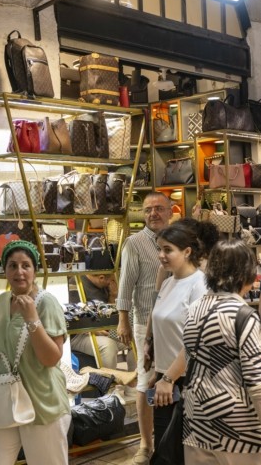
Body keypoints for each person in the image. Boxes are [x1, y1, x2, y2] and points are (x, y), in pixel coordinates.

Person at [181, 239, 261, 464]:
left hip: (196, 422)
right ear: (246, 273)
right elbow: (258, 382)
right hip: (239, 431)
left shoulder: (194, 309)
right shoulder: (242, 315)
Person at [0, 241, 70, 465]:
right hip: (6, 399)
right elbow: (2, 352)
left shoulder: (46, 303)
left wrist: (32, 319)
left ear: (35, 270)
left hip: (41, 401)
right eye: (12, 265)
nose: (19, 272)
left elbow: (51, 358)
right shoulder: (1, 301)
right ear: (5, 270)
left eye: (26, 265)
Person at [144, 218, 218, 453]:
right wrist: (159, 371)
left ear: (187, 251)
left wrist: (169, 378)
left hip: (190, 382)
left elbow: (196, 342)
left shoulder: (200, 285)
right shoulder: (167, 283)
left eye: (168, 250)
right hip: (168, 380)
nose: (161, 255)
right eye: (160, 249)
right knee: (165, 451)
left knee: (186, 453)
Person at [115, 191, 171, 464]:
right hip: (145, 323)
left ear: (170, 211)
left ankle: (168, 440)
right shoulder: (134, 244)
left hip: (177, 324)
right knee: (145, 379)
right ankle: (145, 445)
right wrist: (122, 319)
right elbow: (125, 285)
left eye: (159, 208)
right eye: (148, 210)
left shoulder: (179, 240)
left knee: (173, 377)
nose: (153, 214)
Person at [70, 273, 135, 370]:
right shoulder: (76, 282)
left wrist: (113, 295)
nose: (112, 283)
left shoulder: (104, 286)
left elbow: (107, 311)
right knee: (108, 345)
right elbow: (73, 315)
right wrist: (95, 330)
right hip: (80, 334)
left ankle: (133, 377)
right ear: (101, 278)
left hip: (104, 330)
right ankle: (107, 381)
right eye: (112, 280)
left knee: (134, 339)